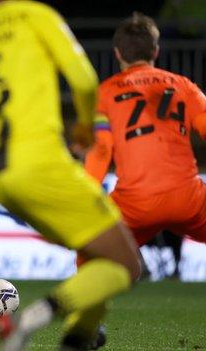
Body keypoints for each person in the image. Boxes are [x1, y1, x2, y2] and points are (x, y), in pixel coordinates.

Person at [0, 1, 142, 350]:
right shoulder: (35, 15)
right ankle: (31, 318)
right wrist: (84, 126)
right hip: (43, 163)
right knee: (126, 263)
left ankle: (79, 339)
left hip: (1, 179)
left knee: (98, 259)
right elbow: (83, 79)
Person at [83, 13, 206, 269]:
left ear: (118, 53)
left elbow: (102, 151)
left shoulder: (104, 94)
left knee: (89, 253)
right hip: (188, 198)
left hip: (136, 203)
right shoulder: (184, 86)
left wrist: (85, 195)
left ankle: (85, 305)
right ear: (156, 51)